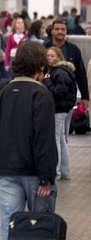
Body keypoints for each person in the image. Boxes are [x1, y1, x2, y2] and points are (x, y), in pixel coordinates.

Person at [0, 41, 58, 240]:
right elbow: (44, 138)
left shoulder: (2, 93)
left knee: (9, 224)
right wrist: (47, 177)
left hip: (7, 170)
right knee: (40, 228)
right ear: (40, 65)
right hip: (35, 174)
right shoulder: (41, 94)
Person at [44, 19, 89, 134]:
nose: (60, 32)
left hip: (67, 99)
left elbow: (81, 74)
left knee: (64, 133)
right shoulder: (44, 48)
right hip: (47, 96)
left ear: (66, 31)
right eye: (57, 29)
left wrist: (85, 97)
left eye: (63, 29)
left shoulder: (74, 50)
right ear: (52, 31)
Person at [43, 46, 77, 180]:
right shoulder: (61, 71)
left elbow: (58, 92)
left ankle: (56, 171)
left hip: (59, 108)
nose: (49, 58)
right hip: (63, 108)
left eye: (52, 56)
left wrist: (46, 82)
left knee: (56, 139)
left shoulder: (59, 73)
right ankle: (65, 171)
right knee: (62, 139)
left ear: (58, 57)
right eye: (48, 56)